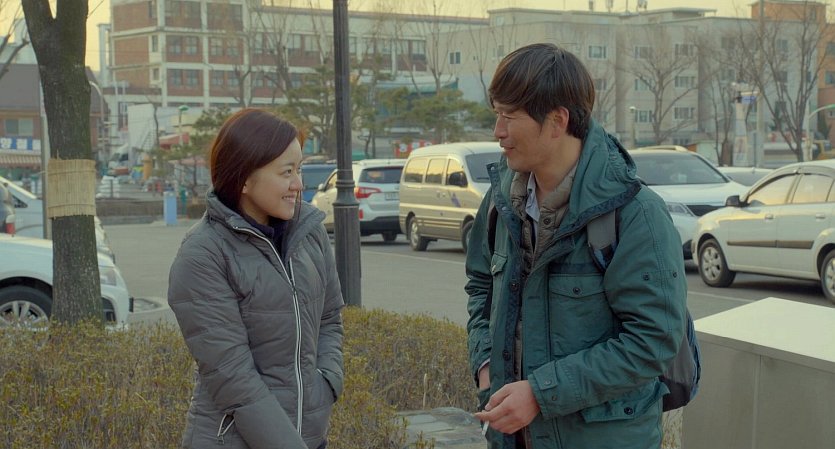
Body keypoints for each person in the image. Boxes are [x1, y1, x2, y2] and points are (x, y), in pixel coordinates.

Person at [466, 43, 687, 449]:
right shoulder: (501, 201)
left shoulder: (635, 213)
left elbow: (652, 342)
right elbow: (481, 287)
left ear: (557, 121)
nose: (498, 131)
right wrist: (485, 366)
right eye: (496, 114)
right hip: (511, 437)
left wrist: (540, 394)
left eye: (509, 116)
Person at [168, 108, 344, 449]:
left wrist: (327, 382)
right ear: (244, 179)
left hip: (310, 437)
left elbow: (329, 318)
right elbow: (234, 378)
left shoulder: (309, 232)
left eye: (299, 169)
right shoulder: (203, 254)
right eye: (287, 172)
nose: (298, 184)